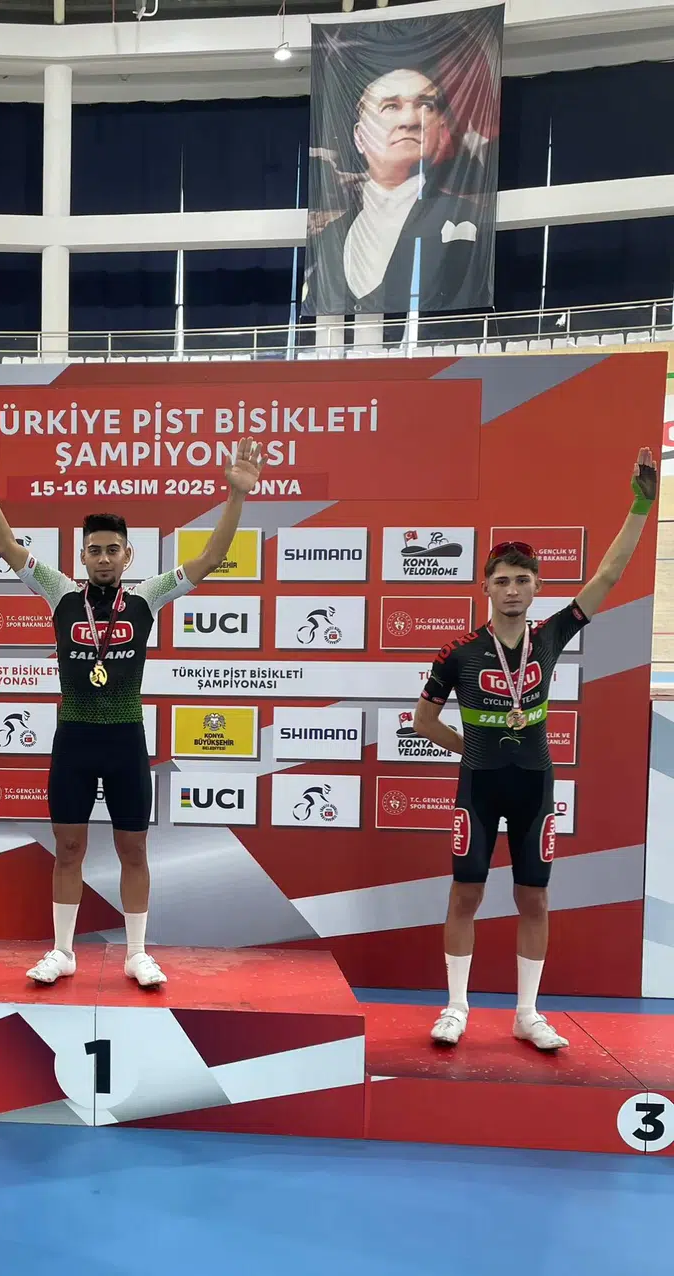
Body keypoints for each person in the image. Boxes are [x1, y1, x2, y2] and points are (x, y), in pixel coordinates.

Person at [0, 425, 263, 987]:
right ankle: (63, 952)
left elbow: (212, 556)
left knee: (134, 848)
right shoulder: (60, 593)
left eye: (112, 550)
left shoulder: (148, 595)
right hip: (74, 738)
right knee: (68, 848)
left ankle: (136, 954)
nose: (103, 558)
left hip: (126, 738)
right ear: (82, 555)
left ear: (128, 555)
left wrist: (236, 494)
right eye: (95, 550)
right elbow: (5, 547)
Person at [414, 448, 657, 1050]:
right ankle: (455, 1007)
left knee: (535, 897)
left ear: (537, 588)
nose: (512, 589)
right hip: (479, 784)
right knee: (465, 894)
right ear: (485, 587)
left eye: (523, 581)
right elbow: (423, 721)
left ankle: (526, 1014)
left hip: (535, 784)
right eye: (502, 580)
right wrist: (470, 749)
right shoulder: (458, 651)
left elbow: (608, 577)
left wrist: (641, 506)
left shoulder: (550, 635)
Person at [305, 66, 491, 316]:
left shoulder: (467, 216)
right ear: (359, 137)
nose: (410, 121)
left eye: (425, 105)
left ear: (442, 131)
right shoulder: (332, 235)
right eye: (391, 106)